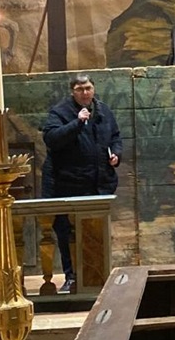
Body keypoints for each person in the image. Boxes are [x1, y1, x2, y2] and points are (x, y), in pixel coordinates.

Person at [41, 74, 122, 294]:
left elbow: (115, 136)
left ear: (93, 89)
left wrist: (116, 154)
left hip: (97, 182)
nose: (85, 93)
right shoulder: (60, 112)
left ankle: (97, 274)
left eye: (88, 88)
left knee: (95, 231)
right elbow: (51, 139)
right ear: (72, 91)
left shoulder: (104, 111)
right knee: (66, 232)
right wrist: (77, 122)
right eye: (79, 89)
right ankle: (71, 276)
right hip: (67, 183)